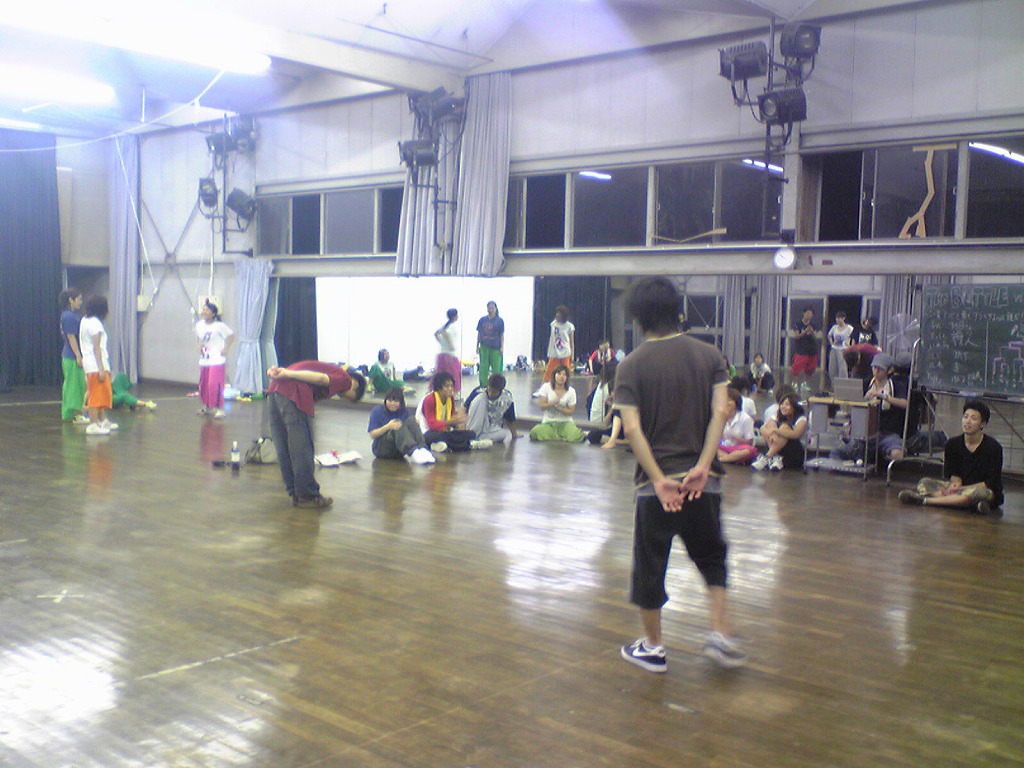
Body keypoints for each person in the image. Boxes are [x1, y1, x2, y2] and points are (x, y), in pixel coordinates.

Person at [615, 277, 744, 673]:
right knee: (712, 556)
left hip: (655, 491)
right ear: (677, 310)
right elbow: (721, 411)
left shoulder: (630, 365)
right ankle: (719, 632)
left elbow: (632, 428)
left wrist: (658, 479)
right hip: (705, 484)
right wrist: (703, 466)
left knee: (650, 565)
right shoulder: (710, 355)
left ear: (638, 316)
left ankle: (653, 648)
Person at [267, 361, 366, 509]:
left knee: (284, 446)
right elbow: (320, 379)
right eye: (350, 397)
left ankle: (295, 492)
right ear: (355, 384)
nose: (343, 397)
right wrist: (288, 373)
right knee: (302, 447)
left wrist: (284, 373)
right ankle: (307, 495)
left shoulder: (330, 370)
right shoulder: (345, 380)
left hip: (274, 391)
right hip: (293, 393)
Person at [898, 400, 1003, 515]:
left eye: (973, 418)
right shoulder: (952, 444)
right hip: (959, 489)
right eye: (965, 417)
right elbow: (953, 474)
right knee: (924, 483)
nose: (968, 421)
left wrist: (960, 489)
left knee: (978, 493)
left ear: (982, 424)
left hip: (982, 490)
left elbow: (990, 482)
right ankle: (968, 504)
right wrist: (955, 484)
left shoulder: (993, 447)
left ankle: (926, 501)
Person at [831, 352, 908, 465]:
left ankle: (882, 461)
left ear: (889, 370)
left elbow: (905, 404)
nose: (876, 371)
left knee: (897, 454)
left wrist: (885, 396)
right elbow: (853, 406)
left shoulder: (896, 385)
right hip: (864, 435)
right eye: (874, 367)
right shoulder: (866, 384)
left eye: (880, 369)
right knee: (836, 453)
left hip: (887, 434)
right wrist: (863, 400)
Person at [367, 388, 435, 465]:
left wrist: (415, 423)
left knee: (412, 420)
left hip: (399, 450)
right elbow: (373, 434)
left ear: (401, 402)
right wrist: (388, 427)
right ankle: (414, 452)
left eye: (396, 401)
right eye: (389, 400)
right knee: (397, 425)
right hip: (382, 449)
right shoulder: (377, 411)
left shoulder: (404, 411)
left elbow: (411, 427)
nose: (392, 403)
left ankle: (423, 449)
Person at [80, 295, 116, 436]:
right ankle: (93, 424)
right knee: (96, 395)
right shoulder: (95, 324)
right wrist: (101, 369)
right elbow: (97, 348)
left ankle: (101, 420)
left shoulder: (85, 320)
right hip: (95, 365)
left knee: (100, 394)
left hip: (91, 364)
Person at [418, 371, 479, 452]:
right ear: (439, 387)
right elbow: (432, 425)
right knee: (433, 437)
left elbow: (451, 420)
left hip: (445, 432)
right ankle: (468, 445)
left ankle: (442, 446)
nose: (450, 389)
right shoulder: (429, 399)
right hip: (428, 432)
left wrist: (458, 425)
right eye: (447, 386)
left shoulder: (450, 398)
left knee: (471, 434)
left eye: (452, 386)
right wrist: (449, 422)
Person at [195, 300, 233, 418]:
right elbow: (199, 337)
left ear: (213, 313)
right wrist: (199, 345)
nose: (204, 311)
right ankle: (207, 406)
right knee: (204, 384)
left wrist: (225, 348)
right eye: (203, 309)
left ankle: (219, 408)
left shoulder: (219, 326)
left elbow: (231, 335)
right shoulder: (199, 325)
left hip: (217, 359)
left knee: (214, 384)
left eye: (207, 310)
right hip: (205, 359)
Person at [529, 364, 586, 442]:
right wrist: (552, 403)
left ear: (567, 377)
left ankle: (557, 435)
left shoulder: (571, 391)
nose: (561, 377)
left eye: (564, 375)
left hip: (565, 422)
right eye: (559, 374)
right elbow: (542, 406)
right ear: (554, 375)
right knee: (534, 432)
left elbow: (571, 411)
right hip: (548, 423)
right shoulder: (546, 387)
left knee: (575, 436)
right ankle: (559, 436)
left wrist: (559, 408)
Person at [752, 393, 808, 471]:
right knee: (770, 425)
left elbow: (796, 434)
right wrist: (772, 434)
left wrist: (776, 431)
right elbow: (763, 428)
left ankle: (767, 457)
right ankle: (774, 456)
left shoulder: (802, 419)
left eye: (787, 404)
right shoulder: (777, 416)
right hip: (779, 452)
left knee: (785, 427)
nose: (783, 407)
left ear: (795, 406)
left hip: (793, 453)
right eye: (782, 404)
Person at [58, 287, 89, 424]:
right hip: (71, 356)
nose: (80, 302)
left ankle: (69, 413)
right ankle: (76, 414)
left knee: (72, 385)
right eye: (79, 299)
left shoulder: (67, 315)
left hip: (70, 356)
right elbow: (71, 337)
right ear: (71, 300)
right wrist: (78, 356)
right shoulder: (69, 316)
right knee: (75, 386)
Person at [465, 373, 518, 444]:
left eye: (493, 392)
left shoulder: (507, 398)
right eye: (489, 390)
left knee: (503, 434)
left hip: (491, 428)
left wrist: (514, 434)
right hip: (476, 423)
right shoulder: (479, 392)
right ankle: (472, 435)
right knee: (481, 398)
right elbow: (464, 408)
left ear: (500, 391)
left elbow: (510, 419)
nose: (490, 393)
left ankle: (477, 440)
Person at [586, 360, 622, 448]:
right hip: (603, 422)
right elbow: (606, 422)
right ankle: (615, 440)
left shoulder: (601, 385)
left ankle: (613, 440)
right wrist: (611, 407)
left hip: (614, 425)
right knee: (592, 435)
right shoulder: (607, 386)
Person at [717, 388, 757, 465]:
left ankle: (724, 459)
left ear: (736, 403)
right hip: (724, 448)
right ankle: (731, 458)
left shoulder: (745, 418)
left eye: (729, 400)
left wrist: (733, 437)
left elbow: (749, 442)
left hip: (739, 448)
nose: (726, 403)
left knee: (749, 451)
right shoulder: (720, 416)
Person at [790, 306, 821, 393]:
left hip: (812, 349)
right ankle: (794, 384)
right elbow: (796, 336)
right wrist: (805, 331)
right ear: (803, 313)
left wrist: (812, 332)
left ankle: (804, 384)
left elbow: (816, 336)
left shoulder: (813, 324)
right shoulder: (798, 324)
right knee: (797, 367)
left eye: (811, 314)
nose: (809, 315)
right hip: (801, 349)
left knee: (811, 368)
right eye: (807, 313)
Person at [541, 305, 575, 383]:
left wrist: (572, 355)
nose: (557, 315)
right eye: (556, 314)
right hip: (555, 352)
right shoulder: (553, 324)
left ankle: (564, 387)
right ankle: (545, 388)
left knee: (565, 373)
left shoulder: (569, 326)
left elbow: (571, 341)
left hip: (565, 352)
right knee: (549, 373)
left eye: (559, 314)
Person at [475, 301, 504, 389]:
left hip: (495, 347)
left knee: (496, 368)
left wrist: (502, 347)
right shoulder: (482, 320)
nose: (490, 310)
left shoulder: (500, 321)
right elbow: (479, 333)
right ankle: (483, 385)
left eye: (492, 308)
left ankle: (497, 385)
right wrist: (477, 345)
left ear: (495, 309)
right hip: (484, 347)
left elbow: (501, 335)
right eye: (489, 308)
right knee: (483, 367)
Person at [434, 308, 462, 395]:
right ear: (455, 316)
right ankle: (454, 393)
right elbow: (446, 333)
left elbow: (436, 333)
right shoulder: (452, 326)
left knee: (441, 375)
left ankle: (441, 391)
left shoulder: (445, 326)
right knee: (453, 375)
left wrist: (442, 343)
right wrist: (451, 345)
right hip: (450, 355)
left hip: (442, 353)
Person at [826, 311, 853, 386]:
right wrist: (832, 342)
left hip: (843, 349)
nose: (838, 320)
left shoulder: (849, 328)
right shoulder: (834, 327)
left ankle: (843, 386)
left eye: (839, 318)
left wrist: (850, 345)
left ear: (843, 318)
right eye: (837, 318)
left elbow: (854, 336)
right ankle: (834, 386)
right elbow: (829, 335)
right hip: (834, 348)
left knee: (842, 368)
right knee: (832, 368)